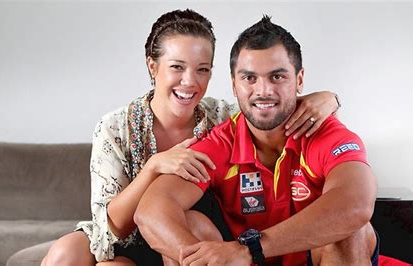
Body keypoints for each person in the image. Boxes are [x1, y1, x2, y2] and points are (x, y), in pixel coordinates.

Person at [41, 9, 340, 266]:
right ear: (152, 66)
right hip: (127, 239)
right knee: (65, 253)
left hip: (193, 233)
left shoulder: (223, 116)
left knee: (189, 224)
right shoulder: (115, 127)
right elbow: (111, 229)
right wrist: (153, 167)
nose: (190, 81)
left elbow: (269, 105)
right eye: (177, 67)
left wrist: (329, 98)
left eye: (202, 70)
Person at [134, 15, 378, 266]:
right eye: (250, 78)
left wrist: (249, 249)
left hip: (315, 260)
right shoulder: (221, 142)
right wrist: (205, 260)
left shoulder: (327, 133)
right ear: (234, 85)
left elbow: (355, 205)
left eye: (277, 77)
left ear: (300, 80)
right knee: (192, 225)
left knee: (351, 231)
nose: (263, 91)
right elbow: (151, 211)